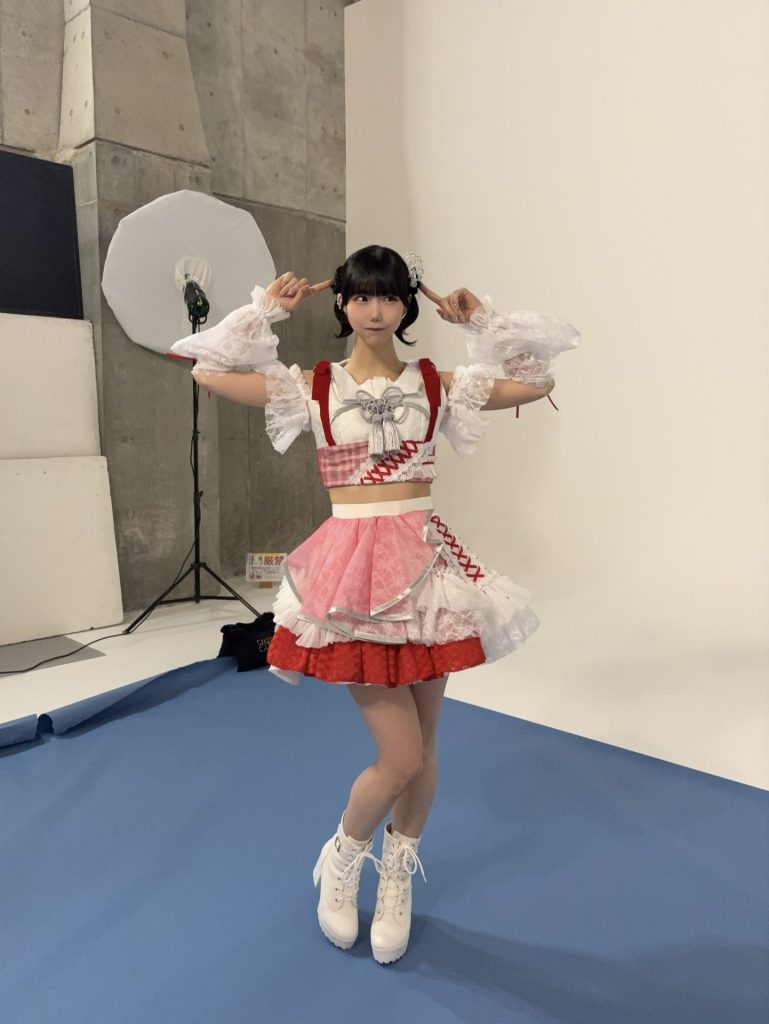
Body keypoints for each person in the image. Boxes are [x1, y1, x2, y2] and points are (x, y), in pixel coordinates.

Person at [170, 244, 580, 965]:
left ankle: (397, 872)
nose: (375, 310)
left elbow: (536, 378)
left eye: (389, 296)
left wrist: (478, 319)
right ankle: (343, 852)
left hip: (424, 568)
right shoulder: (311, 387)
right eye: (361, 296)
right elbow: (206, 370)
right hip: (354, 573)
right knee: (400, 755)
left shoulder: (438, 384)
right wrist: (266, 311)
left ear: (406, 304)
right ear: (341, 302)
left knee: (424, 752)